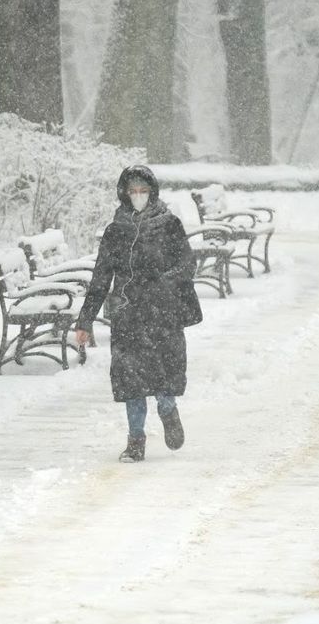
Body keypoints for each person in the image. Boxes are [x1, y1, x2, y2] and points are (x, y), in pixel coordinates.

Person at [75, 165, 202, 462]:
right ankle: (135, 440)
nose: (138, 195)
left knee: (163, 374)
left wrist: (164, 283)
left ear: (152, 192)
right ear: (124, 194)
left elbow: (187, 264)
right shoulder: (116, 231)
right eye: (132, 191)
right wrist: (85, 320)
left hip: (162, 314)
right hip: (128, 315)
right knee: (131, 381)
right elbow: (101, 277)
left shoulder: (169, 225)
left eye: (143, 190)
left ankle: (168, 410)